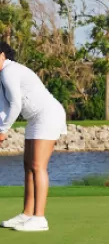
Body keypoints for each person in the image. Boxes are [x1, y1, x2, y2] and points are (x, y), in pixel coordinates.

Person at [0, 43, 67, 232]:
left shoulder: (9, 71)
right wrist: (0, 128)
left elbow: (15, 105)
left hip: (47, 115)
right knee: (28, 167)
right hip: (35, 119)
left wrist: (4, 129)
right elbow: (4, 107)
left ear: (2, 55)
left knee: (38, 166)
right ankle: (27, 214)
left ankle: (40, 218)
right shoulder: (2, 75)